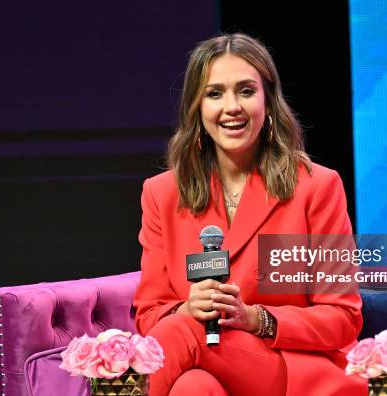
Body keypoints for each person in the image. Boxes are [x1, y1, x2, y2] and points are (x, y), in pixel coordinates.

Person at [133, 32, 367, 396]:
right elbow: (149, 315)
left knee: (185, 333)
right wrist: (185, 307)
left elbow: (343, 319)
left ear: (268, 102)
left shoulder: (316, 187)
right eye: (214, 94)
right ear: (196, 108)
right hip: (204, 361)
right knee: (192, 387)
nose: (232, 107)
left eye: (245, 91)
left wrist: (256, 318)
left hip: (294, 370)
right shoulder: (162, 193)